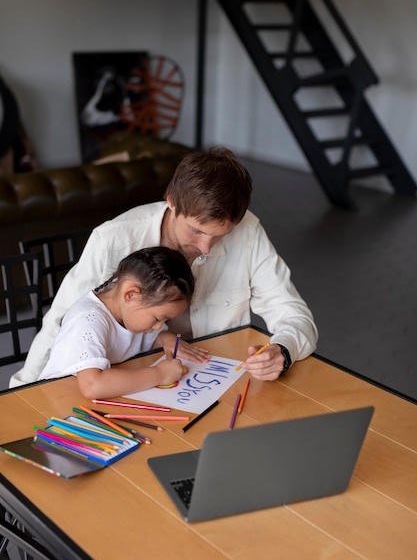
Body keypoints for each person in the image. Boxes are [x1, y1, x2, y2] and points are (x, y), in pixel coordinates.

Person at [10, 146, 318, 388]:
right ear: (171, 200)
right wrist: (20, 394)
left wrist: (283, 351)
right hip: (129, 380)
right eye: (196, 231)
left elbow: (294, 314)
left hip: (212, 379)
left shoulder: (248, 231)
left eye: (220, 235)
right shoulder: (114, 239)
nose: (206, 248)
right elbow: (60, 324)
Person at [37, 247, 201, 400]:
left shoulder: (129, 311)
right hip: (56, 401)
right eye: (158, 319)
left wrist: (167, 339)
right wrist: (159, 374)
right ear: (130, 295)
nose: (159, 326)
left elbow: (149, 338)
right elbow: (93, 386)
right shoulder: (88, 320)